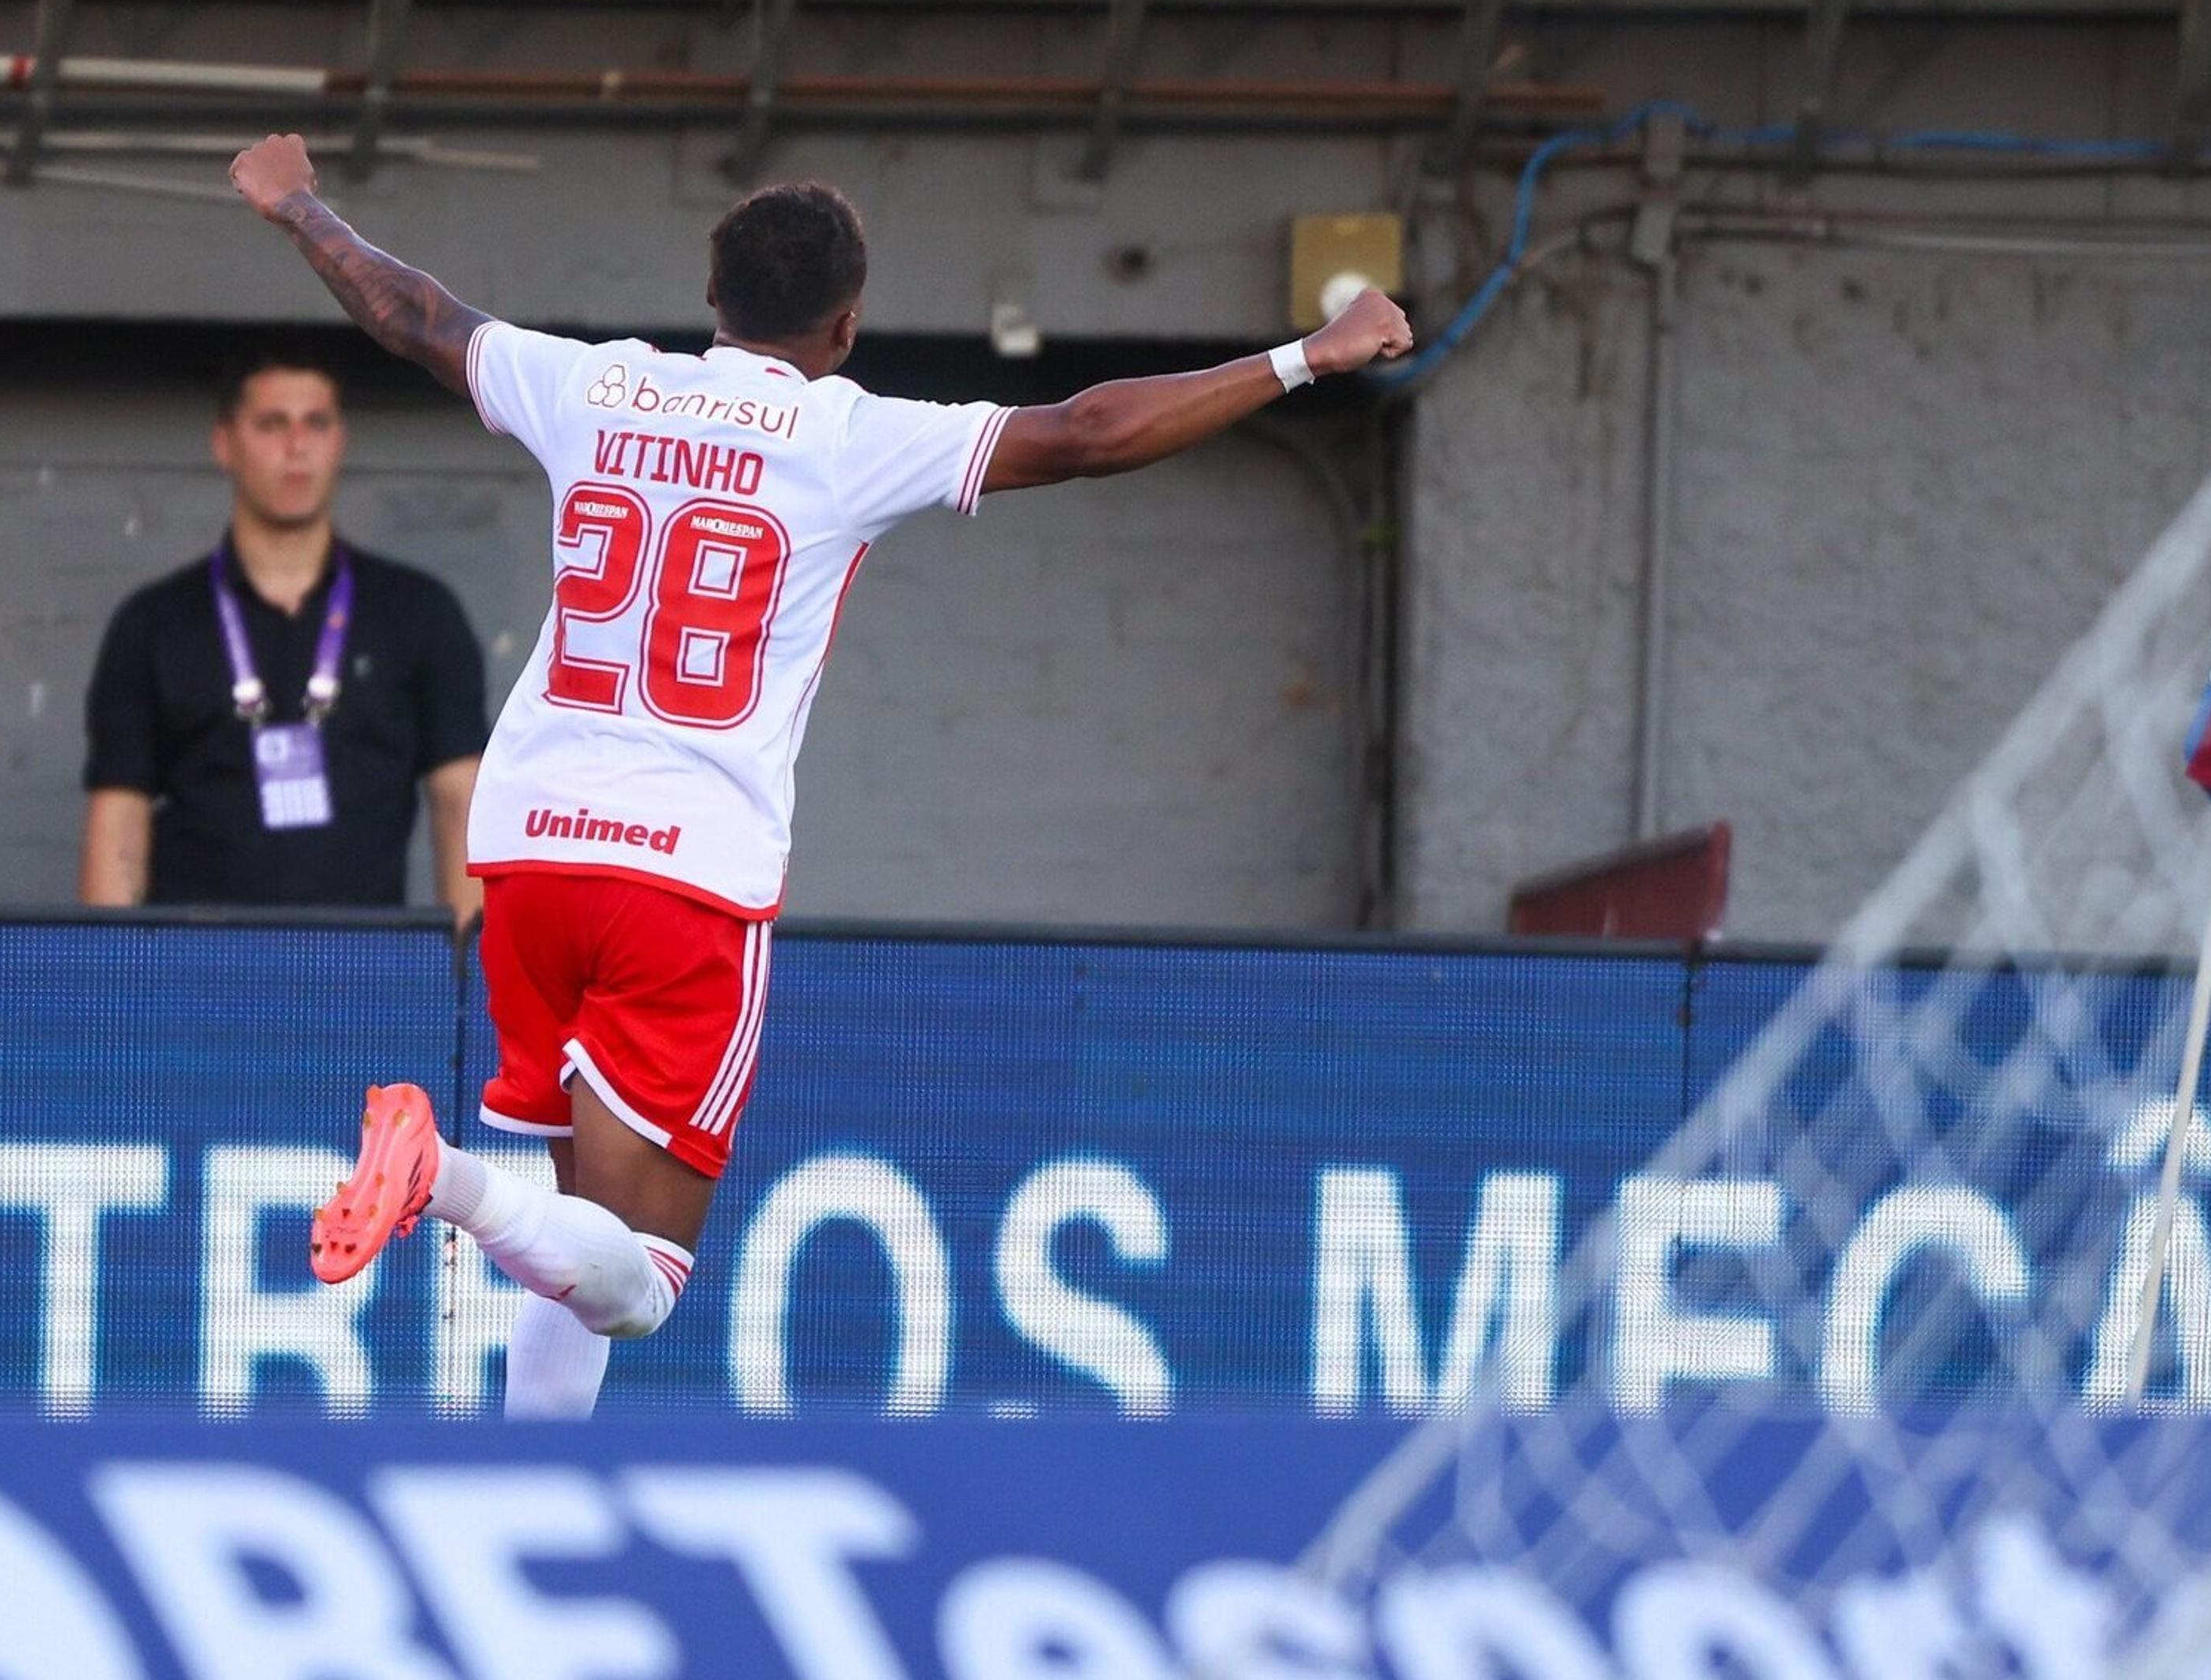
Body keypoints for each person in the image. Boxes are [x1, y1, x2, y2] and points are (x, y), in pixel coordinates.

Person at [226, 131, 1412, 1416]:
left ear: (710, 301)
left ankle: (516, 1484)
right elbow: (1087, 430)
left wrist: (302, 210)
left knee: (572, 1242)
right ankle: (440, 1173)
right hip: (681, 879)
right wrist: (1312, 354)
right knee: (646, 1279)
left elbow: (415, 314)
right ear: (845, 324)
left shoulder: (595, 387)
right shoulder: (842, 436)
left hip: (526, 851)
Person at [79, 359, 488, 927]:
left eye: (316, 423)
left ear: (340, 441)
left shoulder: (419, 612)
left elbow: (461, 805)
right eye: (272, 424)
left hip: (367, 972)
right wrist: (109, 982)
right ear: (225, 444)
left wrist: (463, 989)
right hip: (193, 974)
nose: (297, 447)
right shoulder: (155, 622)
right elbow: (118, 822)